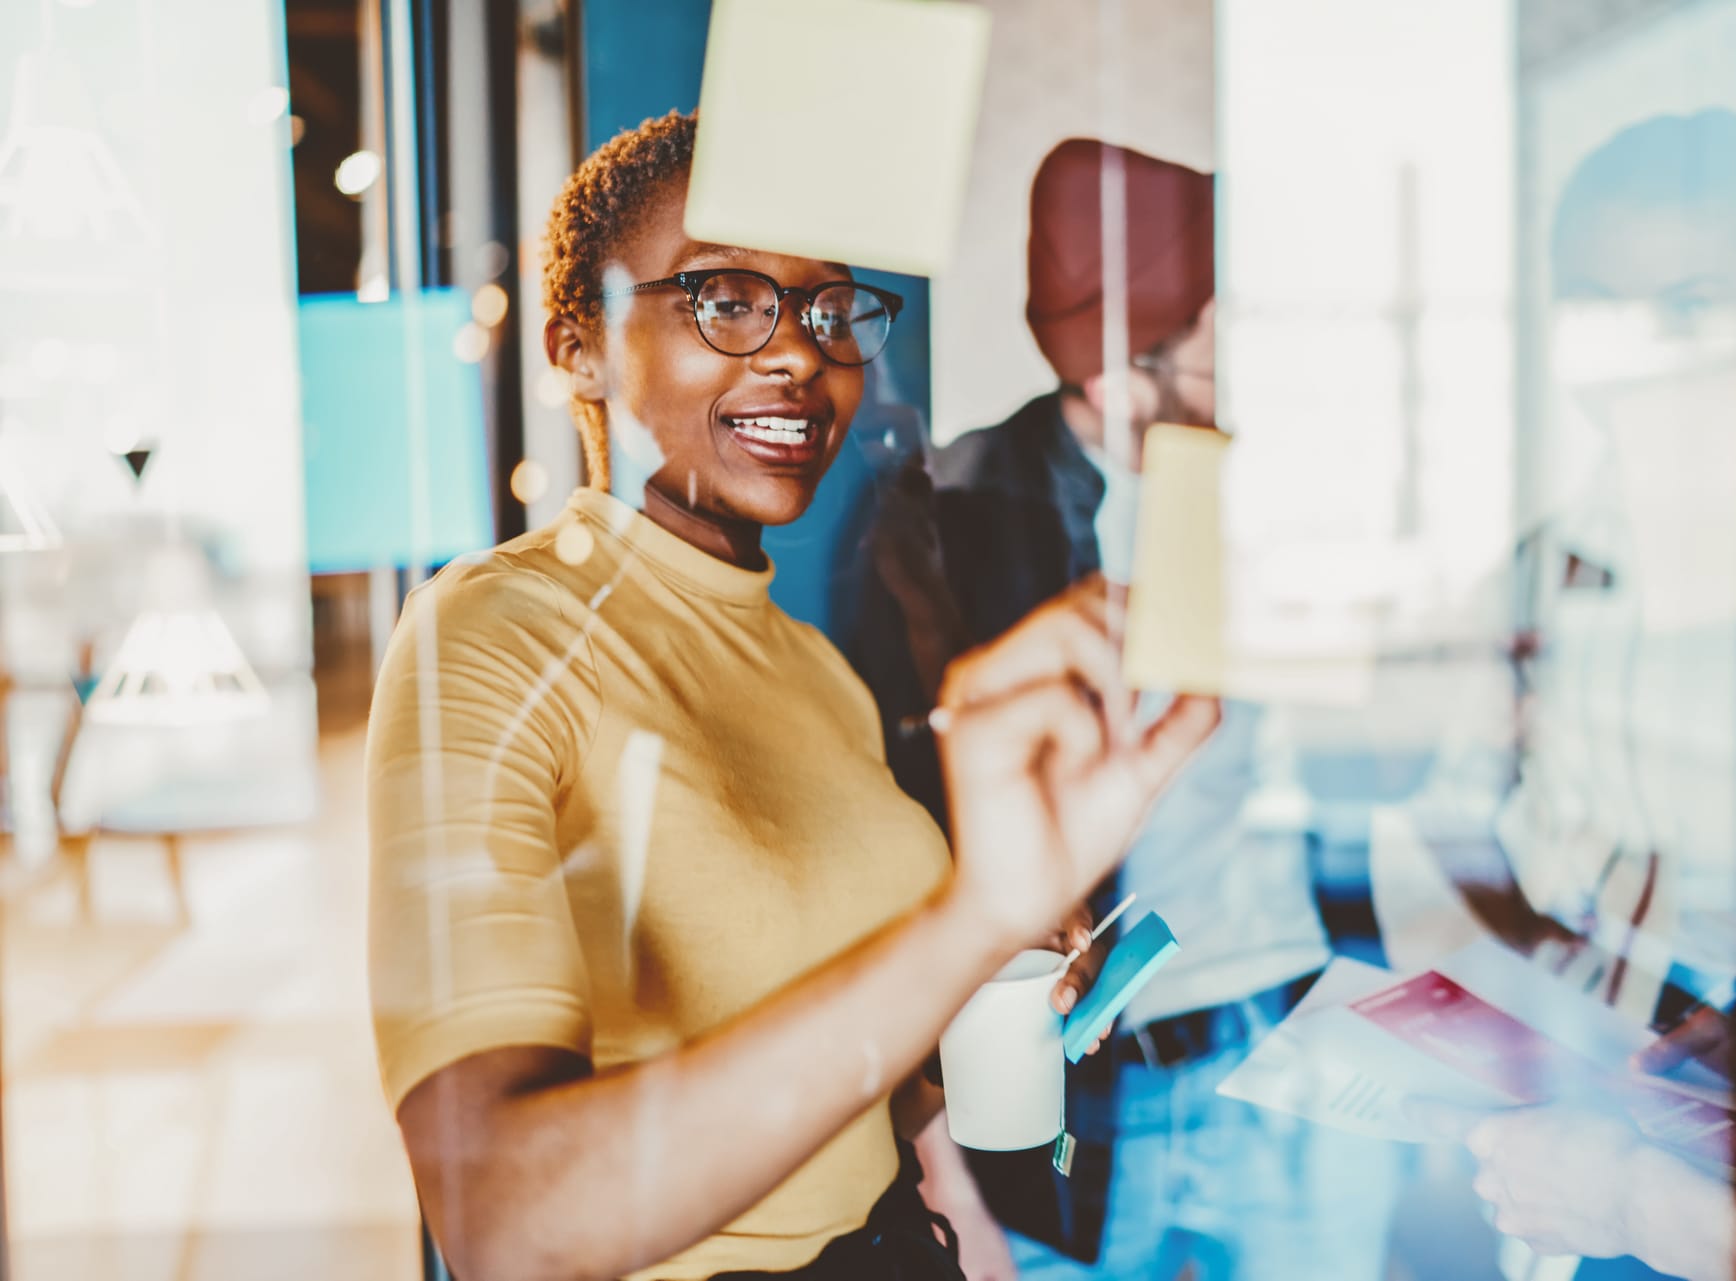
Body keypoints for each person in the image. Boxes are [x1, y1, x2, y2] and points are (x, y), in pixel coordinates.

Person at [364, 110, 1220, 1281]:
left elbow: (855, 1101)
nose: (800, 354)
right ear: (576, 347)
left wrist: (995, 974)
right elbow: (502, 1221)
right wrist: (966, 920)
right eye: (725, 301)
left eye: (829, 312)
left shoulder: (814, 668)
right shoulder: (490, 637)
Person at [851, 138, 1398, 1280]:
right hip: (1095, 1087)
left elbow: (1374, 767)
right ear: (1115, 370)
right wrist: (948, 1176)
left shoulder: (1293, 490)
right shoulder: (959, 517)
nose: (1251, 372)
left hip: (1291, 1036)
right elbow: (914, 855)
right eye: (1219, 344)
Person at [1457, 6, 1736, 1276]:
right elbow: (1517, 877)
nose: (1645, 351)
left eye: (1691, 300)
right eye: (1603, 305)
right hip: (1649, 1147)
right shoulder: (1544, 581)